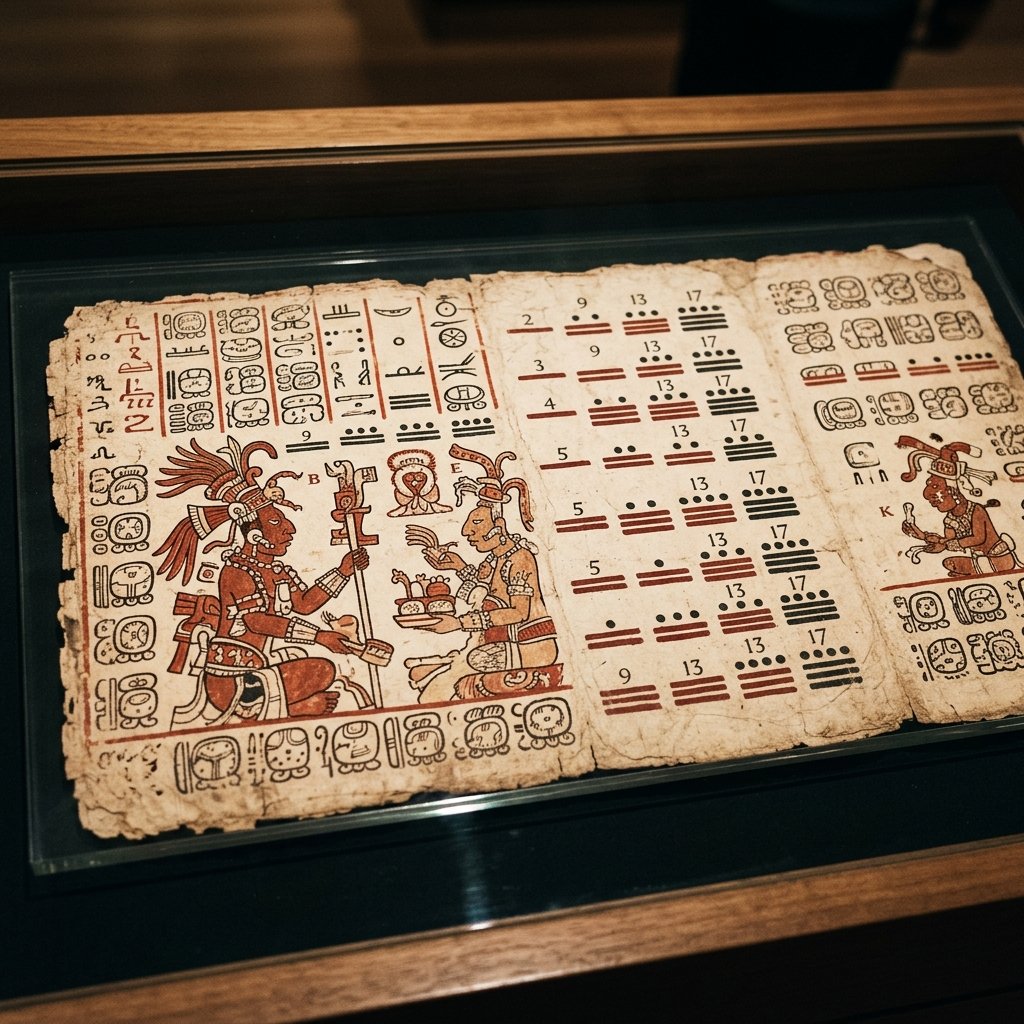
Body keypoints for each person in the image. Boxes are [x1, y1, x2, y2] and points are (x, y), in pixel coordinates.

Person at [154, 437, 372, 721]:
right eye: (276, 523)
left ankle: (285, 705)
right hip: (229, 680)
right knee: (322, 672)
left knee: (324, 671)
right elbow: (257, 621)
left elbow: (304, 604)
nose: (289, 528)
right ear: (255, 536)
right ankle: (282, 707)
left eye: (283, 520)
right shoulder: (236, 572)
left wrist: (343, 570)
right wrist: (318, 636)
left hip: (256, 667)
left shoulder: (275, 570)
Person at [406, 445, 558, 702]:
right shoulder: (494, 558)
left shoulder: (520, 559)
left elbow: (517, 613)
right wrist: (456, 567)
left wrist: (459, 623)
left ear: (498, 526)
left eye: (476, 523)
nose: (466, 531)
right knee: (429, 671)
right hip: (501, 642)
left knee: (438, 687)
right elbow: (483, 589)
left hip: (532, 647)